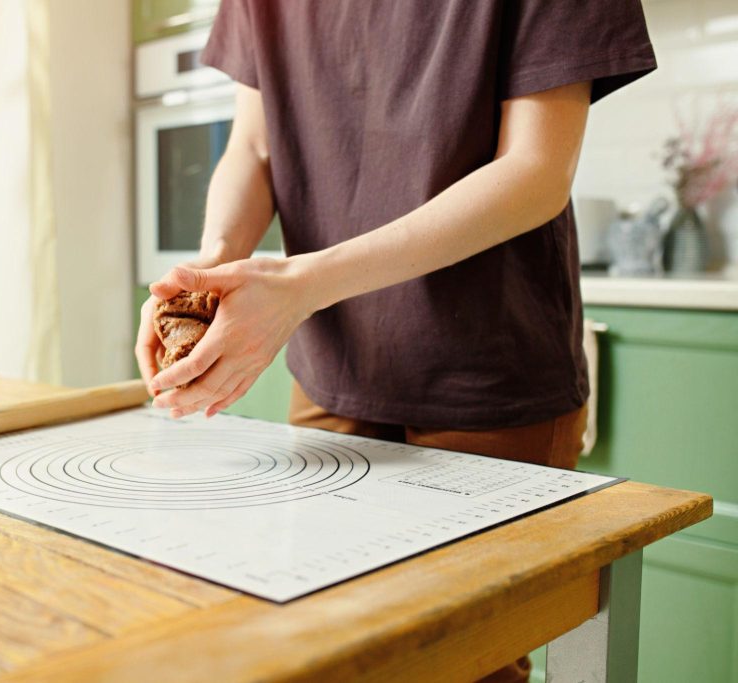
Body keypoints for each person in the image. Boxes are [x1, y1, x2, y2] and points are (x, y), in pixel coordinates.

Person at [135, 4, 656, 680]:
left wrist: (298, 284)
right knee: (333, 647)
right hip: (333, 366)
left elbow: (535, 171)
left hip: (488, 377)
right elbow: (253, 148)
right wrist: (208, 278)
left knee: (469, 662)